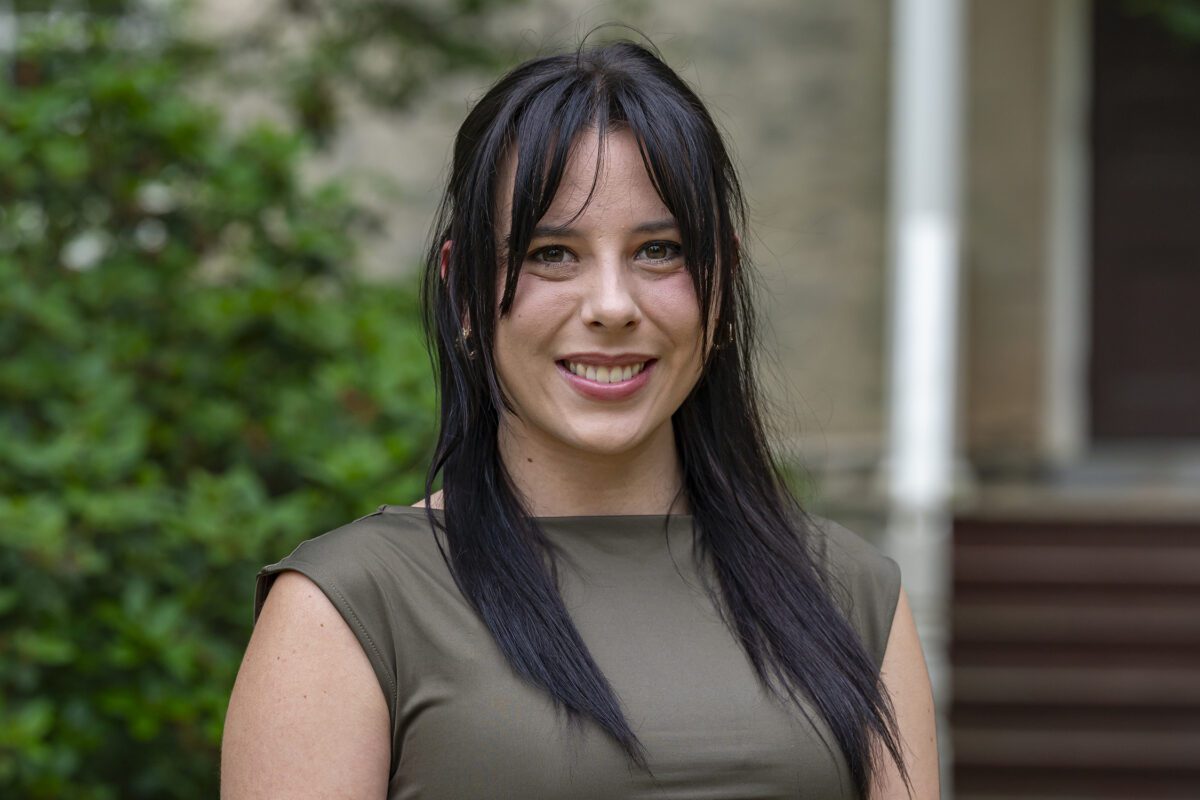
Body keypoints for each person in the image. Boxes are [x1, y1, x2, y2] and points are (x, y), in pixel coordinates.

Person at [221, 35, 938, 800]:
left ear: (720, 283)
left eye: (658, 251)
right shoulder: (351, 605)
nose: (610, 306)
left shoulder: (850, 594)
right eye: (551, 254)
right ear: (463, 293)